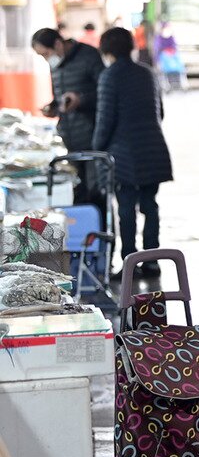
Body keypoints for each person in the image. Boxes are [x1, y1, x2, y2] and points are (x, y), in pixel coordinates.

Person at [92, 28, 173, 274]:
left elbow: (105, 119)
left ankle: (130, 265)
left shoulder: (109, 76)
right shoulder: (148, 73)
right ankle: (152, 260)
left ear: (106, 50)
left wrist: (96, 148)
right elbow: (160, 112)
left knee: (126, 209)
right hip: (153, 149)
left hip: (123, 154)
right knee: (150, 206)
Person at [31, 27, 104, 204]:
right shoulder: (55, 66)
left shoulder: (89, 56)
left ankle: (100, 222)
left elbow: (106, 92)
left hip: (93, 139)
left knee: (96, 192)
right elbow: (59, 98)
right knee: (77, 192)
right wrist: (53, 107)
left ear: (58, 44)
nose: (46, 59)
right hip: (70, 141)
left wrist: (81, 100)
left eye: (46, 54)